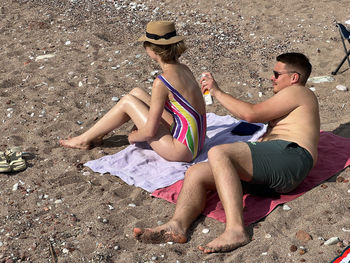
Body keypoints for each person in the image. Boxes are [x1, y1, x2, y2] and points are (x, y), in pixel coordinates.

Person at [133, 52, 320, 253]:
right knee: (196, 173)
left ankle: (236, 230)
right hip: (272, 171)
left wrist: (217, 92)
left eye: (276, 73)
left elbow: (251, 114)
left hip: (291, 157)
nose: (271, 78)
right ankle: (177, 225)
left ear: (294, 78)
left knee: (219, 153)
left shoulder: (300, 91)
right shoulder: (289, 98)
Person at [59, 21, 206, 162]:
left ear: (152, 49)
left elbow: (150, 131)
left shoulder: (162, 82)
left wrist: (133, 137)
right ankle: (97, 135)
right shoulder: (184, 69)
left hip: (181, 150)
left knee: (128, 102)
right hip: (196, 142)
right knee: (136, 93)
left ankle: (83, 140)